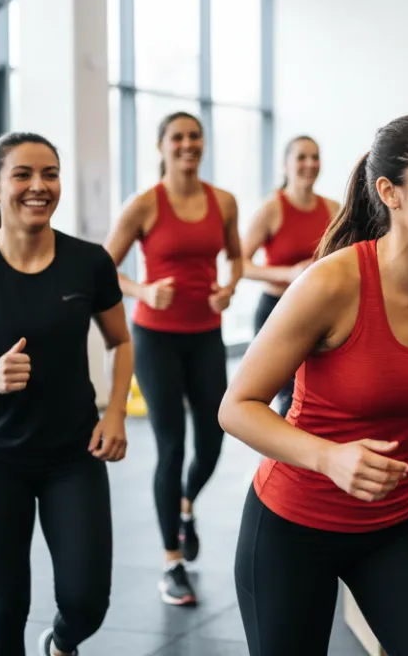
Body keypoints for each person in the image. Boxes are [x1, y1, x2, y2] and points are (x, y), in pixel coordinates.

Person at [219, 114, 408, 656]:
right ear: (389, 192)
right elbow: (237, 407)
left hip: (400, 525)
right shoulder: (331, 283)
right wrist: (329, 458)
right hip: (293, 527)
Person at [0, 132, 132, 656]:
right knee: (1, 610)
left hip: (73, 456)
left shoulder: (89, 263)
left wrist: (115, 415)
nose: (39, 186)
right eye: (23, 175)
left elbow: (121, 341)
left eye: (50, 174)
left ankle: (60, 643)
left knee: (87, 603)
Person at [105, 111, 242, 606]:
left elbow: (236, 256)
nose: (188, 144)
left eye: (194, 137)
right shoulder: (144, 205)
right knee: (171, 445)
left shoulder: (222, 201)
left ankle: (186, 506)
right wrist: (143, 289)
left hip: (206, 335)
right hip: (156, 339)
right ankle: (171, 562)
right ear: (161, 146)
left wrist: (229, 288)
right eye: (178, 137)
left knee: (212, 441)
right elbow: (105, 268)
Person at [241, 135, 339, 415]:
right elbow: (241, 265)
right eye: (301, 157)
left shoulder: (332, 209)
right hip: (277, 309)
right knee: (288, 399)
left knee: (317, 396)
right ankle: (281, 458)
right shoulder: (271, 209)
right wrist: (289, 273)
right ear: (286, 165)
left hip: (318, 312)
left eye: (315, 157)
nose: (310, 164)